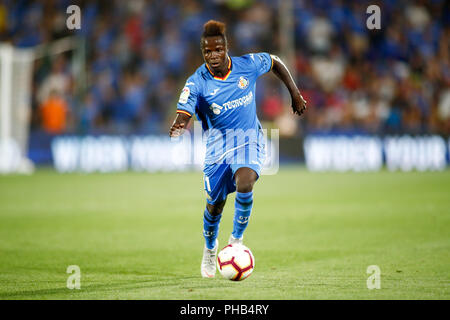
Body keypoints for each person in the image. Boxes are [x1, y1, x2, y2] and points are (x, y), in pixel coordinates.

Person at [169, 20, 306, 278]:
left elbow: (275, 61)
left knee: (245, 183)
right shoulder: (197, 81)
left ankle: (236, 241)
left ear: (226, 47)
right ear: (203, 52)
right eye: (207, 52)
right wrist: (179, 125)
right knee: (214, 207)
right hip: (217, 149)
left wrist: (295, 94)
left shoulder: (247, 65)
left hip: (248, 139)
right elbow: (184, 113)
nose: (213, 56)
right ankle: (211, 248)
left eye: (217, 50)